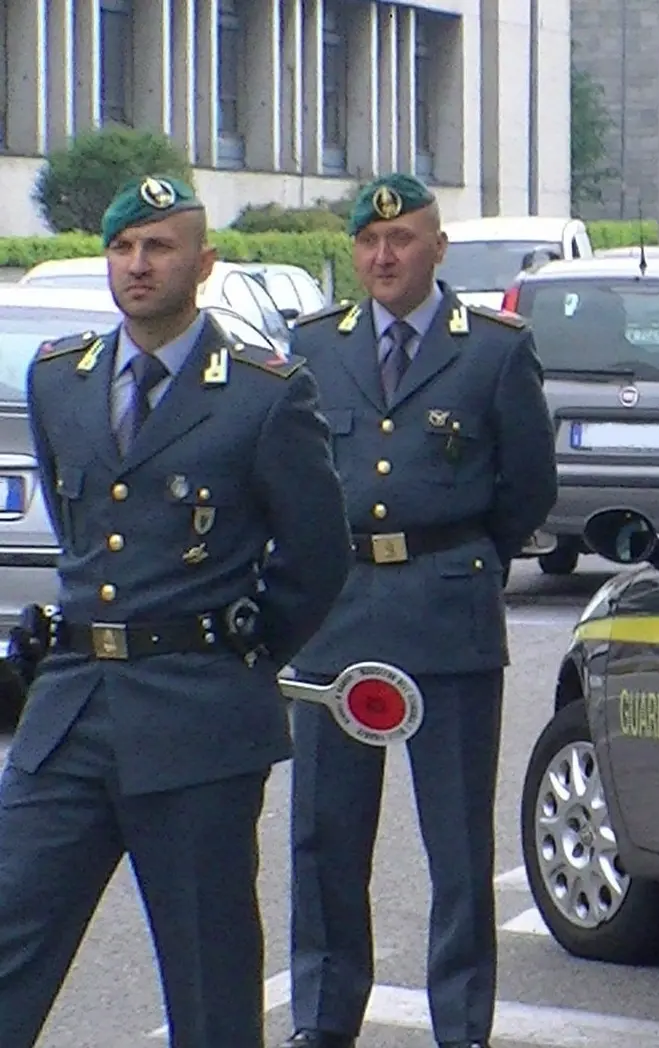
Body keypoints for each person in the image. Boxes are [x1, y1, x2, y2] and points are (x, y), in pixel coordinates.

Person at [0, 175, 352, 1047]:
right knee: (11, 929)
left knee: (209, 973)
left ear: (204, 262)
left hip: (197, 717)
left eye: (158, 248)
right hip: (72, 708)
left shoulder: (266, 395)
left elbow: (316, 556)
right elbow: (83, 522)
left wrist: (237, 654)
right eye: (122, 248)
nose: (136, 266)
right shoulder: (61, 382)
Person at [281, 174, 558, 1048]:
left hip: (446, 611)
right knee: (325, 839)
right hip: (338, 612)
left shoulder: (494, 350)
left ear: (439, 249)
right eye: (368, 242)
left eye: (402, 242)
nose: (384, 257)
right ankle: (323, 1022)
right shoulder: (315, 347)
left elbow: (526, 490)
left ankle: (461, 1026)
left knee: (457, 844)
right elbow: (290, 482)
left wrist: (461, 561)